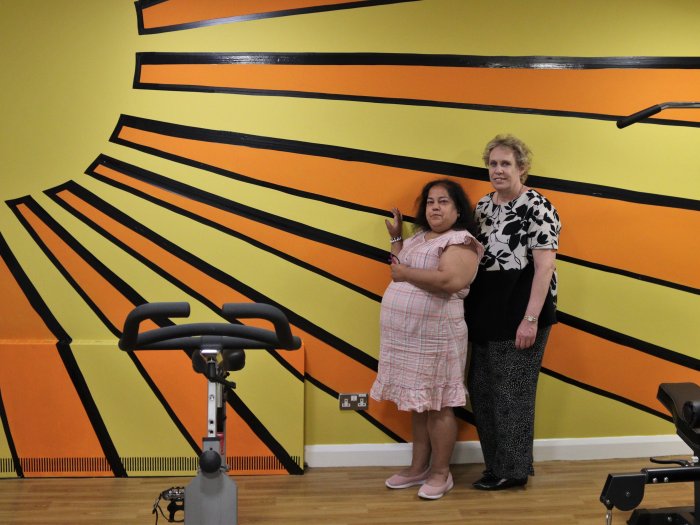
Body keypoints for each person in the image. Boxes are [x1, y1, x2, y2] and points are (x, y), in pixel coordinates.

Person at [370, 179, 484, 500]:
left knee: (439, 405)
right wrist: (396, 236)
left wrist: (405, 274)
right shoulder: (420, 238)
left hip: (437, 336)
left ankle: (440, 473)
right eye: (431, 202)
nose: (435, 207)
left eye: (443, 202)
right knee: (419, 404)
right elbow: (398, 265)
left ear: (458, 209)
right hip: (408, 338)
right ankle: (418, 467)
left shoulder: (461, 241)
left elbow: (450, 280)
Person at [465, 134, 562, 490]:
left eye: (506, 163)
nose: (498, 170)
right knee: (483, 390)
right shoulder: (483, 206)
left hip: (523, 311)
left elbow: (544, 268)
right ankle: (495, 465)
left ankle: (514, 470)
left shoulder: (537, 206)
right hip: (487, 310)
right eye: (493, 163)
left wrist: (531, 320)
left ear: (522, 167)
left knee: (512, 393)